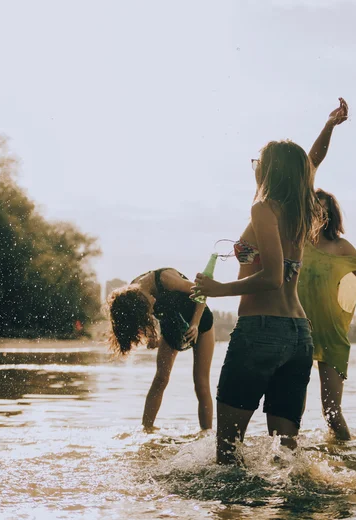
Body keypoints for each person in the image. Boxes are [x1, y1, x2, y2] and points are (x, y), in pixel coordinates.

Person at [192, 139, 326, 464]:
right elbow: (310, 163)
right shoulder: (301, 210)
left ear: (269, 169)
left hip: (261, 331)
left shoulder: (264, 208)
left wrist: (216, 288)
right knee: (287, 459)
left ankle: (232, 513)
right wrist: (329, 126)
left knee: (228, 453)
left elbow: (272, 277)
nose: (255, 168)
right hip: (298, 336)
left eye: (258, 162)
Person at [298, 189, 356, 440]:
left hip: (332, 335)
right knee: (294, 408)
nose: (318, 215)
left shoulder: (342, 248)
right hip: (299, 333)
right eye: (313, 209)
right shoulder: (297, 242)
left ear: (331, 215)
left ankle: (350, 458)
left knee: (332, 414)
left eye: (323, 210)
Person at [107, 268, 215, 431]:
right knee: (161, 378)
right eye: (148, 311)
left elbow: (201, 293)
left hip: (200, 324)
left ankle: (206, 434)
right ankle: (147, 430)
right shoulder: (133, 295)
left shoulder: (166, 279)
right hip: (171, 328)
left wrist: (195, 323)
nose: (152, 309)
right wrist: (151, 336)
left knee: (200, 383)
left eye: (149, 308)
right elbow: (144, 316)